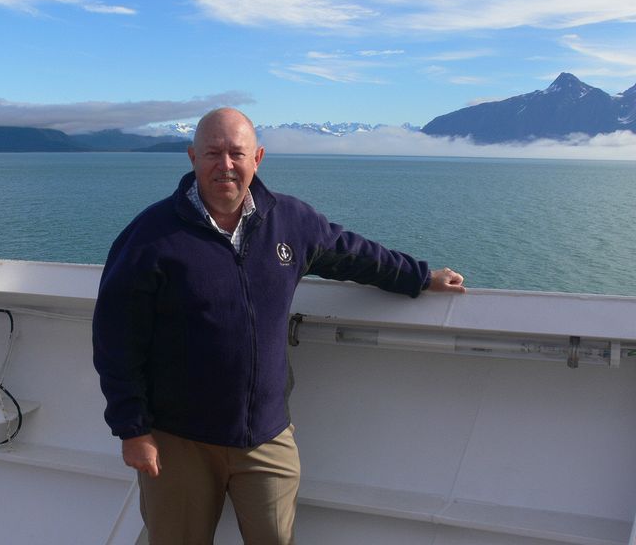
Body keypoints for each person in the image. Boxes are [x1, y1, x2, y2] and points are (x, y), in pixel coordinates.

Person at [92, 108, 465, 544]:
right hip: (179, 440)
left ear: (259, 158)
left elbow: (353, 253)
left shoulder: (290, 221)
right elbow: (115, 338)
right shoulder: (151, 236)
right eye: (213, 153)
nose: (225, 164)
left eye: (237, 153)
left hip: (266, 435)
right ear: (193, 157)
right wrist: (132, 429)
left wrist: (420, 277)